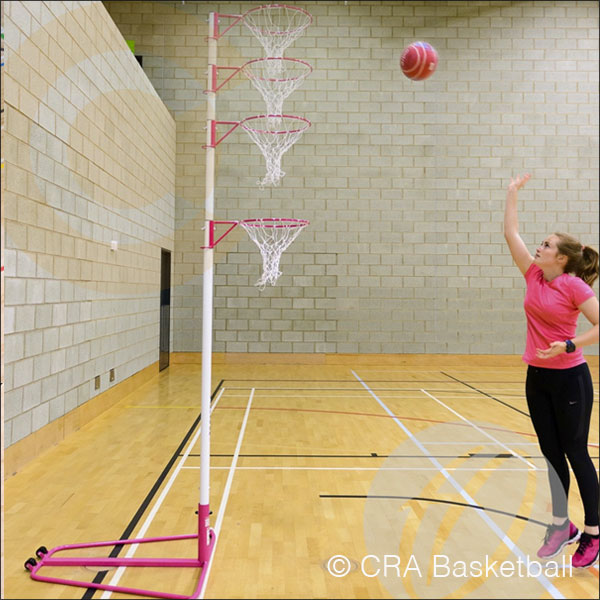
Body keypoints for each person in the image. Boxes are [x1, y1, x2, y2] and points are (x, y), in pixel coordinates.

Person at [503, 173, 600, 568]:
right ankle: (562, 526)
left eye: (546, 245)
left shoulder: (575, 286)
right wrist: (511, 193)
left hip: (570, 378)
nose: (538, 247)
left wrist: (571, 344)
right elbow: (511, 233)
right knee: (550, 452)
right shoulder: (532, 273)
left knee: (576, 451)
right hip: (537, 377)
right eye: (540, 243)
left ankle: (594, 534)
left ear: (562, 257)